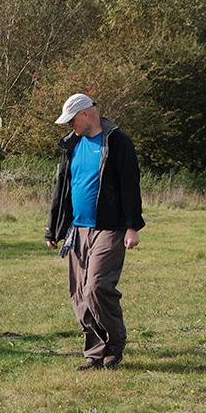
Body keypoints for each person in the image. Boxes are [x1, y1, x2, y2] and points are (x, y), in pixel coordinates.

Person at [45, 94, 145, 370]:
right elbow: (63, 188)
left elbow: (129, 184)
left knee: (96, 287)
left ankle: (114, 343)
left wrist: (132, 226)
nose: (70, 126)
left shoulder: (116, 141)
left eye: (72, 120)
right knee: (79, 294)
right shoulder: (72, 144)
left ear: (86, 114)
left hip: (109, 228)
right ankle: (95, 353)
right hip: (78, 229)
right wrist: (54, 228)